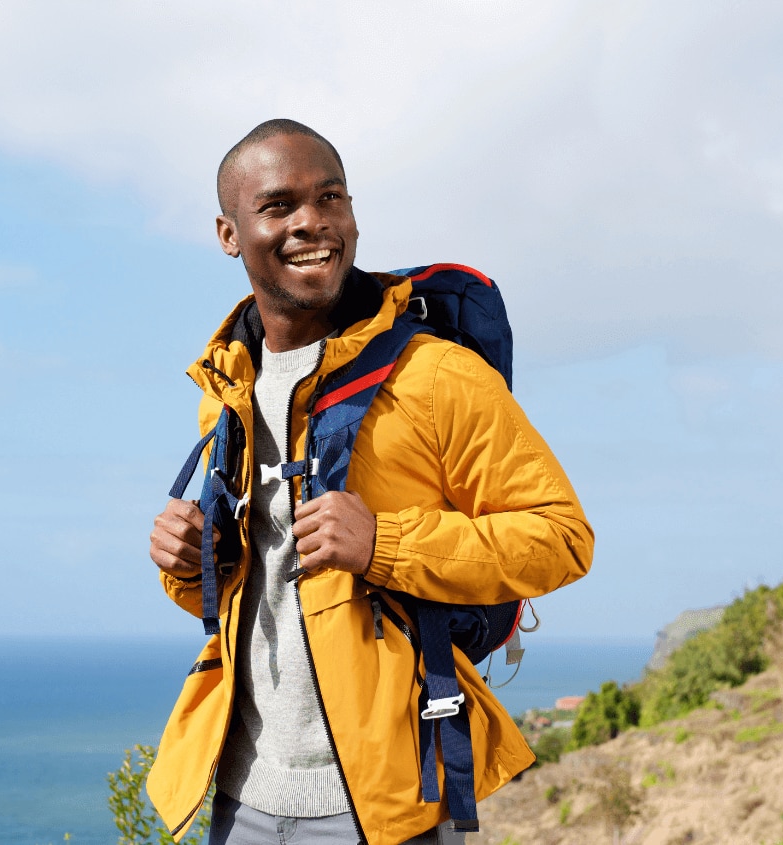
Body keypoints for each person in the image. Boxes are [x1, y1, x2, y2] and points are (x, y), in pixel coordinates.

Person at [145, 119, 594, 845]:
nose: (312, 222)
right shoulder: (228, 386)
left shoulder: (436, 375)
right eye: (279, 205)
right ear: (230, 235)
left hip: (385, 804)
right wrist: (194, 563)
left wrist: (383, 542)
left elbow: (561, 538)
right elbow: (255, 588)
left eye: (330, 198)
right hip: (240, 789)